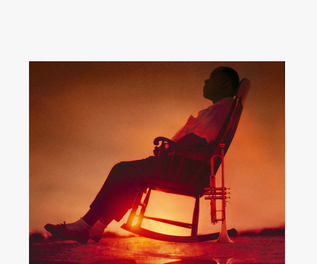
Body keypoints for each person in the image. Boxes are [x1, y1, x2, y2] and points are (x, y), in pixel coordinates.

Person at [44, 67, 240, 243]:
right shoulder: (218, 109)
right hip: (185, 165)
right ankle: (97, 227)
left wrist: (170, 147)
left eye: (211, 77)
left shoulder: (221, 110)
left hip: (187, 169)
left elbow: (199, 140)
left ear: (224, 83)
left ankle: (85, 226)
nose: (206, 81)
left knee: (121, 170)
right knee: (134, 177)